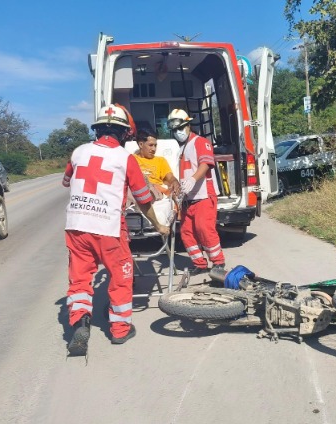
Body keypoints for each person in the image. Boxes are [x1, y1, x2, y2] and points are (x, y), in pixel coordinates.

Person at [62, 104, 170, 356]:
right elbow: (143, 199)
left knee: (79, 279)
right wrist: (159, 225)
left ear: (98, 130)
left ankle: (80, 320)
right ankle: (120, 329)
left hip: (77, 226)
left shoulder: (78, 152)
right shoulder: (125, 158)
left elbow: (67, 181)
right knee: (121, 277)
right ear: (124, 133)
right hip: (108, 227)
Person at [167, 108, 225, 275]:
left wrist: (193, 179)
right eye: (175, 130)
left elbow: (205, 164)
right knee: (187, 233)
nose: (178, 132)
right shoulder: (180, 148)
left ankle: (218, 262)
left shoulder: (200, 142)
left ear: (188, 125)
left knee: (204, 229)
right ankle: (199, 263)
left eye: (180, 128)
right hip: (187, 198)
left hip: (203, 195)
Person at [133, 128, 181, 200]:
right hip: (137, 190)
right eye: (151, 145)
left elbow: (170, 177)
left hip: (154, 190)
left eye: (155, 145)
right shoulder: (132, 159)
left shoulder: (160, 161)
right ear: (141, 144)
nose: (154, 149)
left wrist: (175, 182)